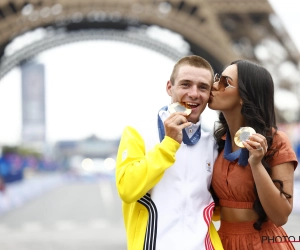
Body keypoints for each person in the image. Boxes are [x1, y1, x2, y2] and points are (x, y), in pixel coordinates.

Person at [116, 55, 223, 250]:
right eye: (185, 84)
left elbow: (216, 207)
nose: (194, 93)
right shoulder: (137, 132)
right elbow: (127, 190)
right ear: (169, 87)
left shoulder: (213, 144)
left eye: (202, 87)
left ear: (210, 95)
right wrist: (169, 144)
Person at [208, 59, 298, 250]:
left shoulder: (275, 141)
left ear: (244, 96)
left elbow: (281, 215)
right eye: (217, 78)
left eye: (226, 82)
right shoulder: (216, 143)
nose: (214, 85)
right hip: (222, 242)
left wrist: (256, 164)